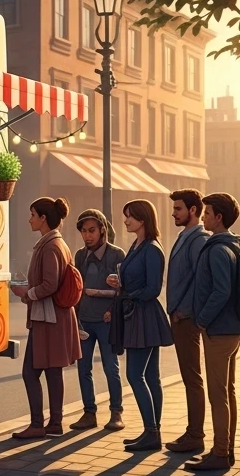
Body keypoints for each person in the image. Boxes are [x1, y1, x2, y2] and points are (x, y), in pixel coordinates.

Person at [9, 197, 82, 439]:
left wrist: (27, 292)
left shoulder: (50, 246)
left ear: (43, 218)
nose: (29, 219)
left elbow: (50, 284)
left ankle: (38, 424)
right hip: (55, 316)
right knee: (53, 371)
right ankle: (55, 423)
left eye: (32, 214)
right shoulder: (56, 243)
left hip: (48, 317)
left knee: (31, 372)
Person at [106, 200, 173, 451]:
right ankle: (152, 432)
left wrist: (127, 293)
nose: (125, 221)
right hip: (139, 313)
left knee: (135, 375)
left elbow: (153, 288)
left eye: (129, 217)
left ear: (142, 219)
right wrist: (120, 283)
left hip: (143, 316)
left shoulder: (152, 248)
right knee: (151, 377)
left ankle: (152, 433)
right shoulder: (137, 245)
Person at [186, 192, 240, 472]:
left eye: (207, 213)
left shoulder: (218, 249)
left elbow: (222, 291)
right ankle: (225, 449)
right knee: (227, 393)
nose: (204, 217)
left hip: (219, 332)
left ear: (218, 217)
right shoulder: (233, 246)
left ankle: (221, 453)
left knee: (218, 395)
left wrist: (202, 320)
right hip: (230, 330)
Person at [164, 189, 209, 457]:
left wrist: (185, 311)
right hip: (180, 316)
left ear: (193, 210)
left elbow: (201, 281)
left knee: (192, 378)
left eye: (178, 209)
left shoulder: (198, 239)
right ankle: (192, 432)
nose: (174, 213)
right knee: (189, 377)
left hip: (187, 318)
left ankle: (195, 435)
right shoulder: (185, 236)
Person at [71, 208, 126, 431]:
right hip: (84, 319)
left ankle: (116, 412)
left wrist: (112, 310)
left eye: (92, 230)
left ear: (102, 230)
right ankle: (89, 413)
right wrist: (74, 317)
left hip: (107, 321)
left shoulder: (117, 255)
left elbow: (124, 289)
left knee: (110, 367)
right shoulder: (80, 255)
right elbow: (76, 288)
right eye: (84, 231)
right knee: (83, 368)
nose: (87, 236)